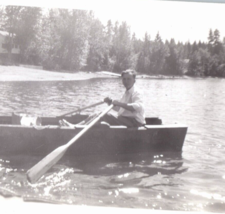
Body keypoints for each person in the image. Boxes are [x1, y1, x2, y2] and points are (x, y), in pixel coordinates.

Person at [61, 69, 145, 127]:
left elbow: (138, 107)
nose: (126, 81)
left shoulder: (137, 92)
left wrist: (119, 103)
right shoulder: (126, 92)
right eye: (124, 79)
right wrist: (110, 102)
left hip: (135, 123)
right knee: (96, 114)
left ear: (134, 80)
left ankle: (77, 127)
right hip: (125, 120)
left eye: (129, 79)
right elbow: (120, 109)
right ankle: (77, 126)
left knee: (104, 115)